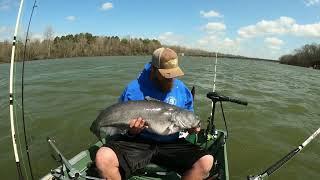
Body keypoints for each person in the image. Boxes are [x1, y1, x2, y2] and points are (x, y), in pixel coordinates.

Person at [95, 47, 214, 180]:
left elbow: (190, 116)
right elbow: (120, 128)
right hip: (138, 142)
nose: (171, 79)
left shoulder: (183, 90)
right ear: (153, 69)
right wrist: (132, 131)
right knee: (103, 158)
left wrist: (194, 129)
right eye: (166, 75)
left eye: (173, 74)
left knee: (206, 161)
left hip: (171, 143)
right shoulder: (133, 89)